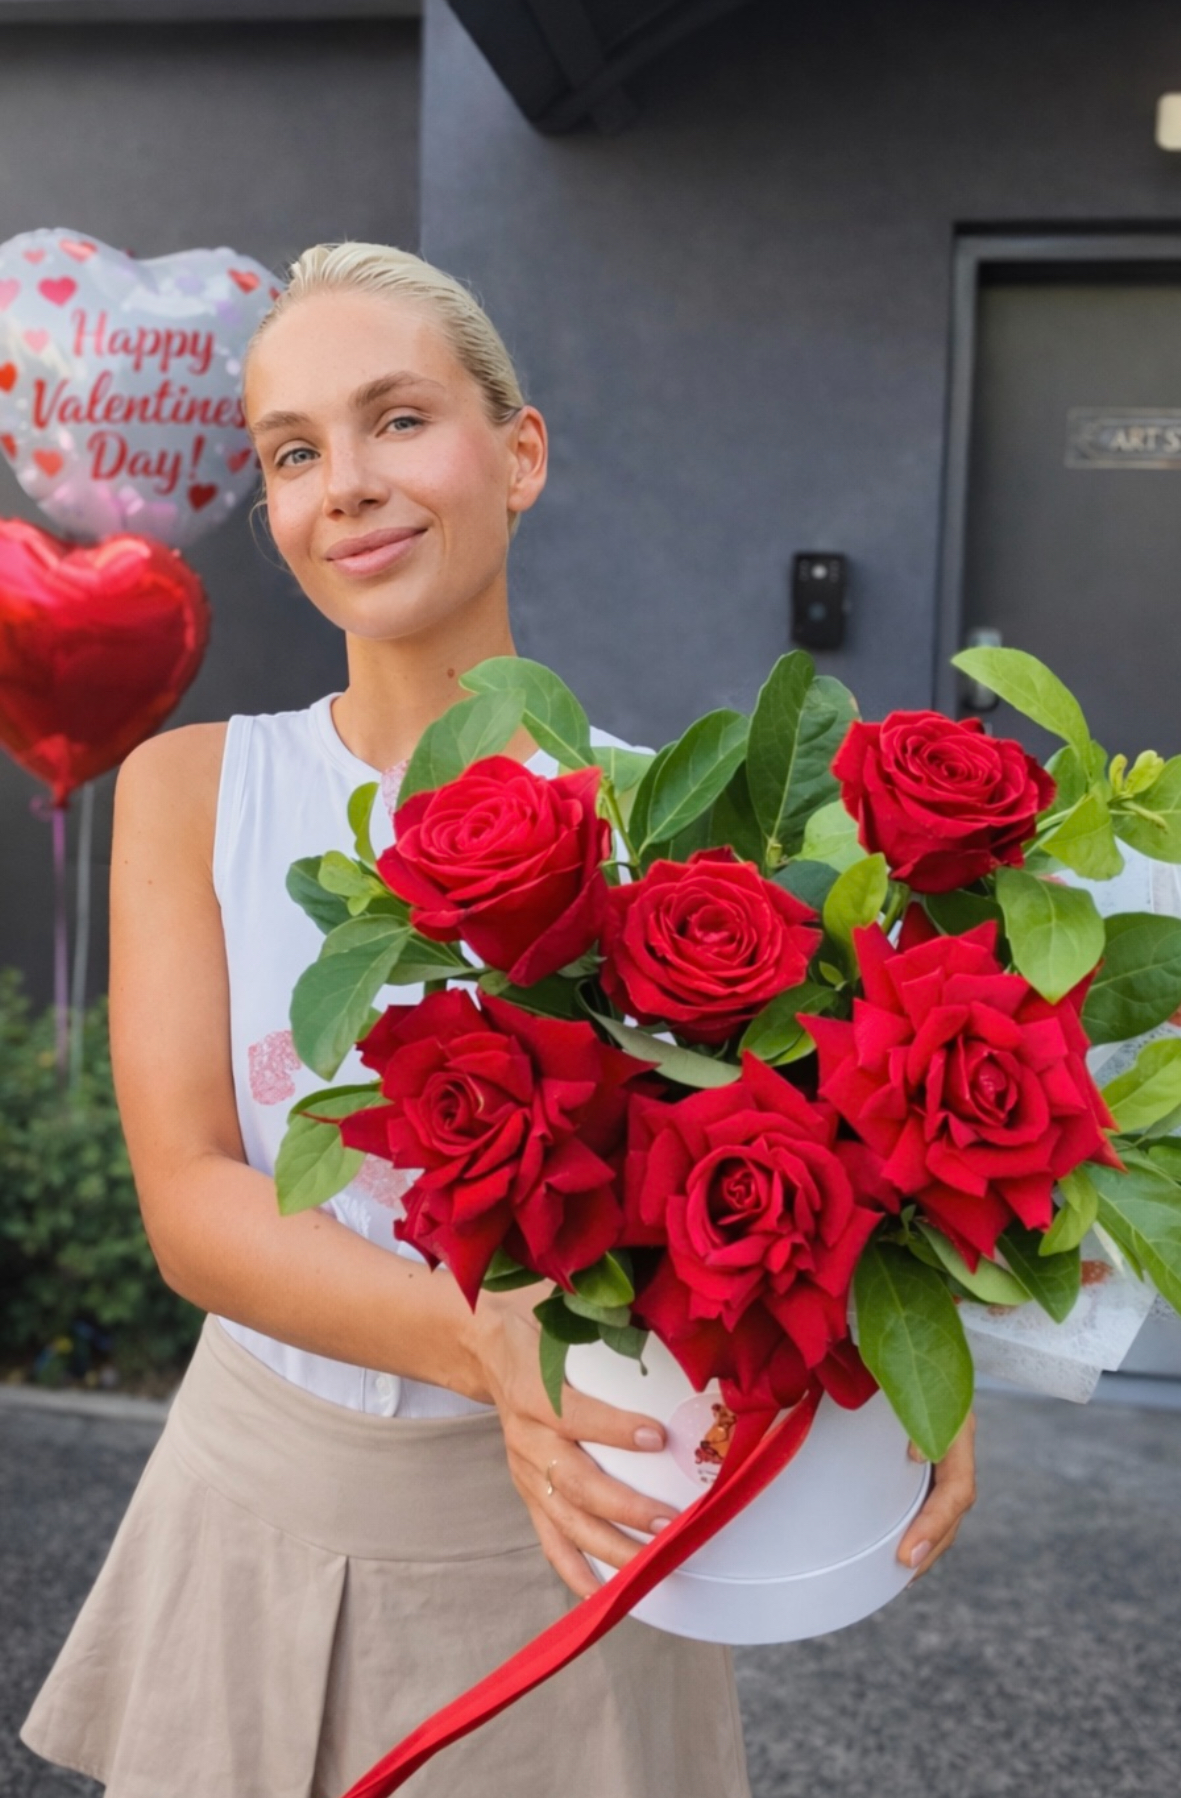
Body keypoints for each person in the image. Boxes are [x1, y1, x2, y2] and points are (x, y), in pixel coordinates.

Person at [20, 242, 976, 1796]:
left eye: (398, 419)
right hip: (258, 1514)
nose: (346, 482)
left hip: (586, 1534)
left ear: (517, 453)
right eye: (294, 450)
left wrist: (913, 1357)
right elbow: (194, 1201)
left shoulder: (683, 834)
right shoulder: (197, 792)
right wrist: (489, 1339)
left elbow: (809, 1183)